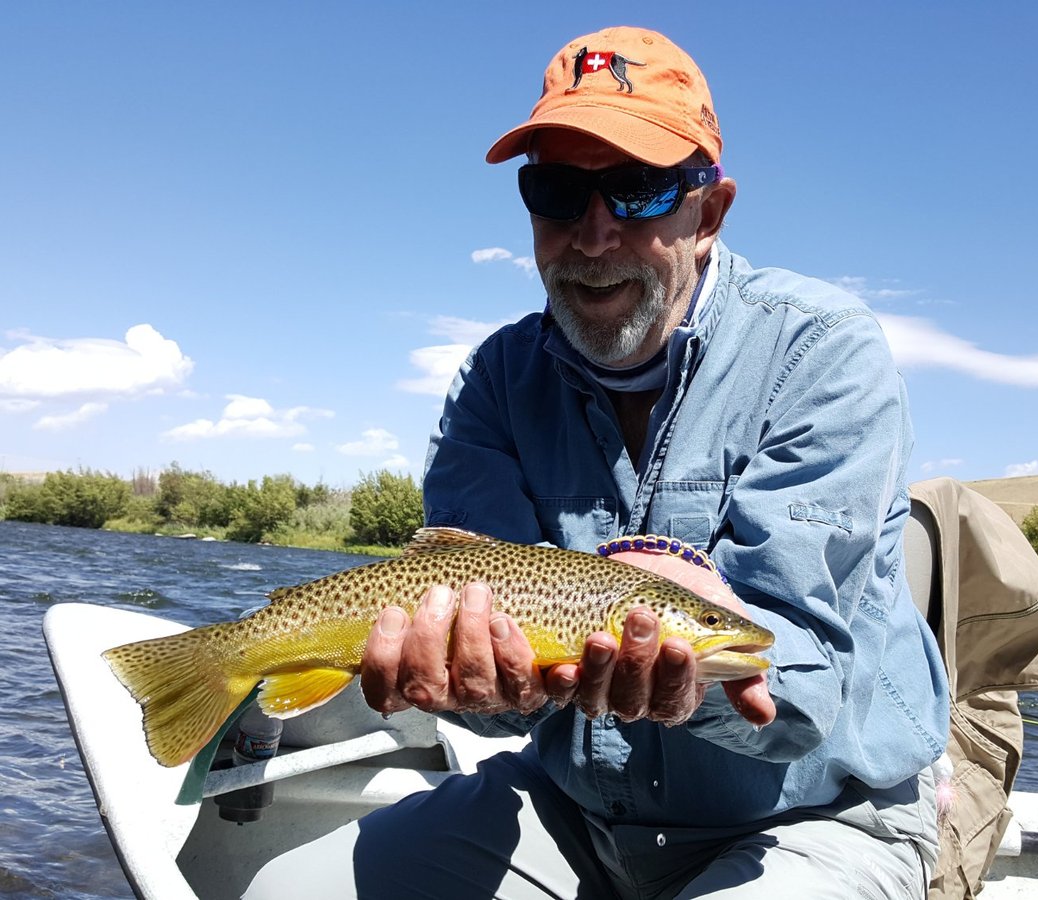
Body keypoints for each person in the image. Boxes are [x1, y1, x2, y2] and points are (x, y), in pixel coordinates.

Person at [354, 25, 950, 899]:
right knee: (364, 867)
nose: (593, 235)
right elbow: (480, 635)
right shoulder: (494, 379)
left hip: (817, 817)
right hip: (577, 810)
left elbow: (803, 684)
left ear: (707, 213)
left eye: (637, 190)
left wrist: (709, 660)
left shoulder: (823, 353)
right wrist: (467, 687)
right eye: (557, 192)